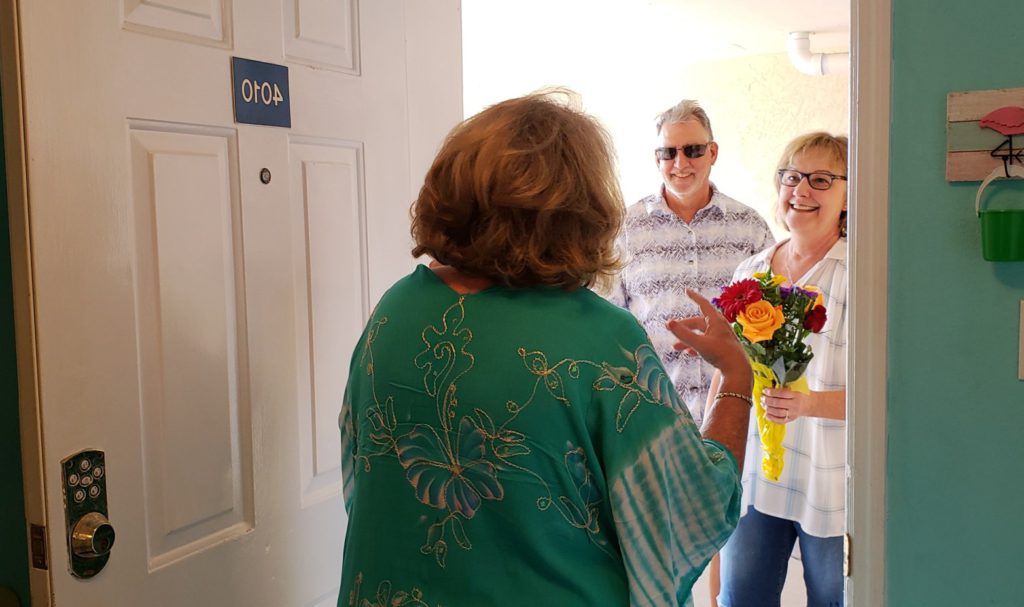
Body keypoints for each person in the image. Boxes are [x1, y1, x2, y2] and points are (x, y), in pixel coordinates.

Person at [337, 90, 754, 607]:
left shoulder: (395, 309)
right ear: (582, 210)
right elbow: (692, 507)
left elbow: (361, 478)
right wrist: (735, 378)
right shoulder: (602, 340)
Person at [711, 132, 849, 607]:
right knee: (740, 598)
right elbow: (728, 369)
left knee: (834, 601)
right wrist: (713, 453)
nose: (802, 190)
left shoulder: (860, 272)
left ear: (850, 193)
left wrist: (809, 404)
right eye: (792, 177)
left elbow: (889, 392)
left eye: (822, 179)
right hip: (754, 477)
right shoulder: (750, 272)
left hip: (830, 483)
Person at [608, 99, 774, 428]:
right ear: (657, 159)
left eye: (693, 150)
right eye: (668, 152)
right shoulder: (624, 230)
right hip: (653, 418)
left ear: (712, 153)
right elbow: (608, 325)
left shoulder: (750, 228)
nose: (680, 162)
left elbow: (772, 323)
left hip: (738, 416)